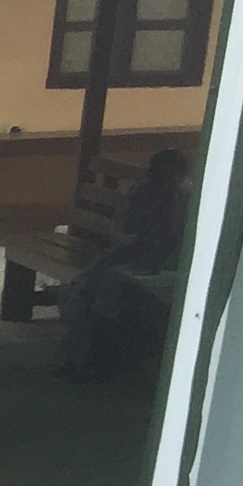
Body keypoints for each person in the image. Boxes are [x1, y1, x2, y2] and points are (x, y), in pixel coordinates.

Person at [57, 148, 190, 380]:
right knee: (84, 287)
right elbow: (119, 226)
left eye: (168, 175)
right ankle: (78, 359)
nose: (162, 180)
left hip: (162, 264)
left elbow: (177, 242)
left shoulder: (187, 198)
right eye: (157, 174)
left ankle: (99, 362)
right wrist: (126, 239)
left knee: (114, 293)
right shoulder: (142, 191)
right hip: (128, 254)